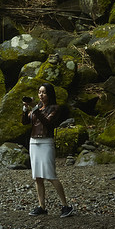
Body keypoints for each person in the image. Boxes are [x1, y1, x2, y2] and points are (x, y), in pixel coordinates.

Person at [22, 83, 73, 217]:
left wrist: (35, 109)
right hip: (33, 142)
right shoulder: (36, 108)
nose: (41, 95)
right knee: (37, 177)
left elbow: (47, 122)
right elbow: (25, 122)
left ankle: (65, 205)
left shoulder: (54, 108)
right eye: (39, 92)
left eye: (44, 92)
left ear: (49, 94)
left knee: (50, 175)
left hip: (46, 142)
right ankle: (41, 206)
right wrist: (25, 108)